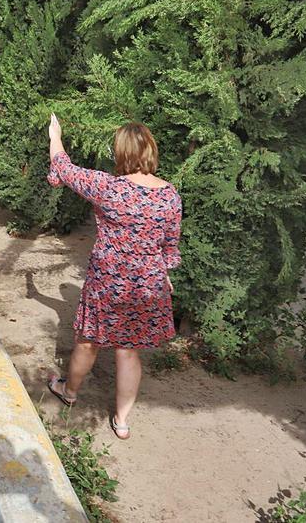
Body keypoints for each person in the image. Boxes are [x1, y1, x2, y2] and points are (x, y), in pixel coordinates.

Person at [44, 113, 182, 440]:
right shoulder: (169, 195)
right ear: (150, 150)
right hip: (148, 283)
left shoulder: (108, 187)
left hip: (107, 281)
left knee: (89, 341)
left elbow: (63, 166)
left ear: (121, 152)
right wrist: (163, 272)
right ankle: (122, 421)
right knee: (129, 351)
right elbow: (169, 244)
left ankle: (69, 391)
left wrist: (55, 135)